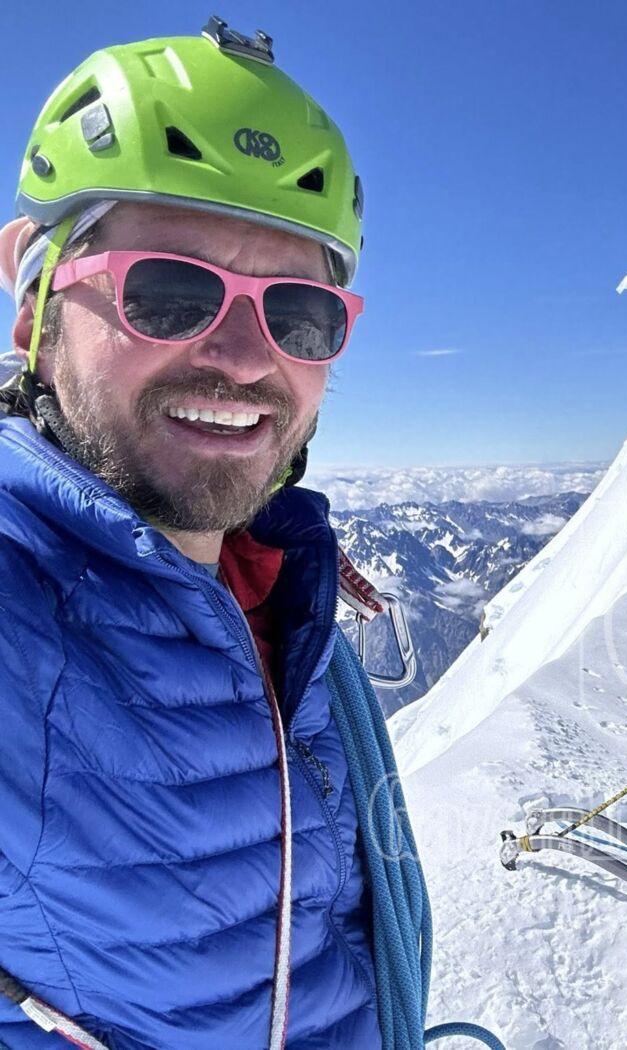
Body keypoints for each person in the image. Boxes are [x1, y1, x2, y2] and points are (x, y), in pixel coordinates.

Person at [0, 19, 389, 1047]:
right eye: (169, 291)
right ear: (31, 293)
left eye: (300, 314)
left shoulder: (276, 582)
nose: (242, 356)